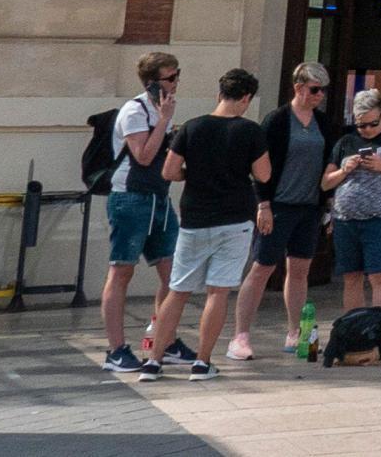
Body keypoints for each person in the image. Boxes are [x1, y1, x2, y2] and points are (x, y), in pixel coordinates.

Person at [150, 68, 273, 379]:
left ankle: (153, 360)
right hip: (234, 220)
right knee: (217, 292)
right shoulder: (251, 131)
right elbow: (264, 174)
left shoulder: (191, 127)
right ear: (246, 98)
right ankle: (202, 362)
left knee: (178, 290)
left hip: (194, 217)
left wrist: (192, 172)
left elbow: (169, 172)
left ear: (220, 94)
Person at [230, 63, 329, 360]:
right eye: (314, 90)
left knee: (299, 270)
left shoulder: (322, 123)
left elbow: (328, 162)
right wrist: (264, 204)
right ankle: (241, 335)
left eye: (322, 90)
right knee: (262, 267)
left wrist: (328, 204)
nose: (319, 95)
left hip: (309, 206)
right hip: (278, 204)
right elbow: (259, 166)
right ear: (298, 88)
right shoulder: (276, 120)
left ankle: (294, 332)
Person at [99, 51, 181, 377]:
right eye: (170, 78)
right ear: (152, 83)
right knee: (122, 271)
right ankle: (116, 349)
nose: (176, 83)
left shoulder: (162, 110)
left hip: (159, 198)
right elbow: (144, 156)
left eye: (178, 75)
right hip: (130, 199)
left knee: (173, 274)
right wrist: (164, 120)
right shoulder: (134, 112)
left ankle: (166, 340)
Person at [323, 88, 381, 362]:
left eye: (372, 124)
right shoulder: (345, 142)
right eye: (360, 124)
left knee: (380, 277)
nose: (366, 130)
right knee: (351, 277)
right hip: (346, 219)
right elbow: (326, 182)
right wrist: (345, 169)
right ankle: (356, 335)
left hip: (379, 219)